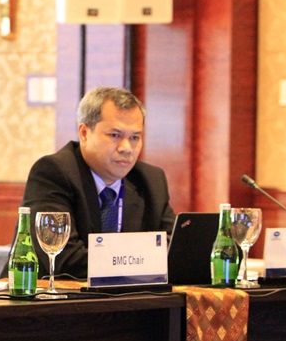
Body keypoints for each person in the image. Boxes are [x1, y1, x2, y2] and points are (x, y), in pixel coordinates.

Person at [21, 87, 175, 280]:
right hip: (54, 295)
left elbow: (175, 250)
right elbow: (64, 260)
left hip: (133, 297)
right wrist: (142, 264)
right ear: (84, 133)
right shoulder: (53, 173)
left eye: (135, 137)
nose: (127, 148)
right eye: (115, 135)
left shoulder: (151, 180)